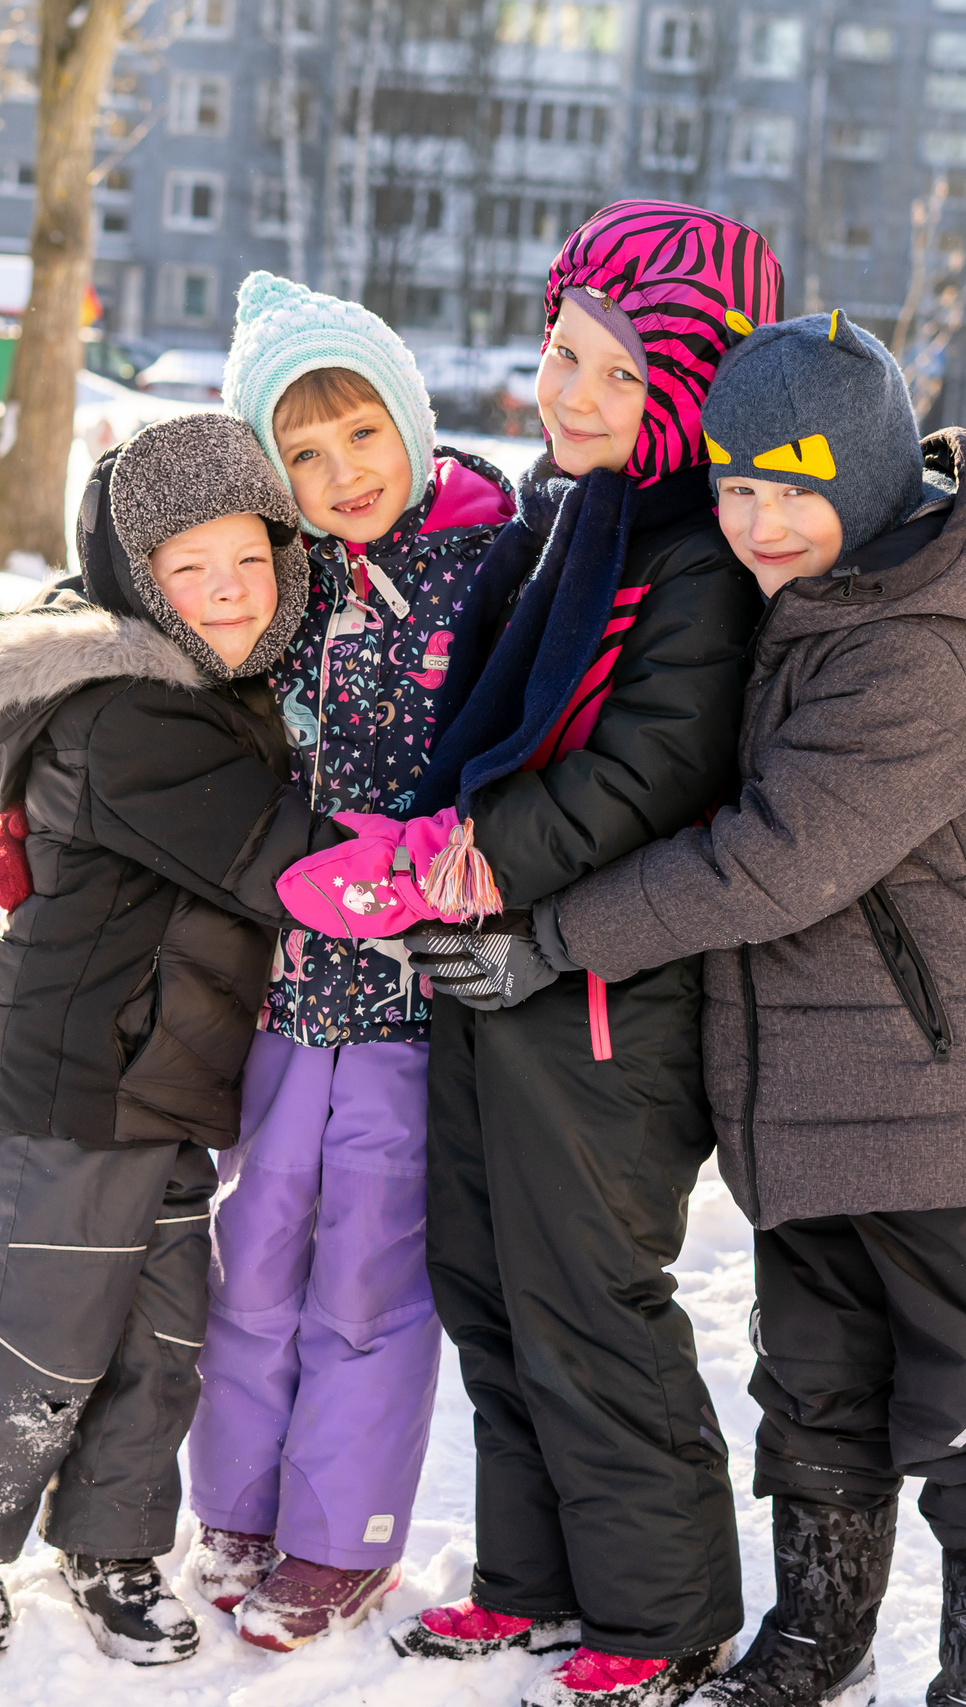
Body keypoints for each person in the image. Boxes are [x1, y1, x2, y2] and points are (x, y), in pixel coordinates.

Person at [456, 312, 966, 1707]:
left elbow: (773, 858)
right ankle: (812, 1644)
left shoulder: (921, 651)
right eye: (736, 485)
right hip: (809, 1103)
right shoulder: (817, 612)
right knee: (814, 1395)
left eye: (796, 489)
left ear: (868, 481)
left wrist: (556, 936)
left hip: (946, 1113)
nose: (758, 521)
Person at [373, 201, 785, 1707]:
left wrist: (476, 858)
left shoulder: (695, 553)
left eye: (623, 372)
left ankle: (664, 1612)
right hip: (491, 976)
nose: (575, 394)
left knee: (589, 1298)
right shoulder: (562, 518)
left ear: (691, 390)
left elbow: (655, 766)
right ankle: (535, 1581)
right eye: (563, 353)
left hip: (608, 998)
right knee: (485, 1283)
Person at [0, 411, 362, 1664]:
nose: (230, 590)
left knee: (161, 1336)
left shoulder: (222, 691)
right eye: (191, 568)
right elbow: (282, 861)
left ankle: (110, 1544)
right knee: (48, 1325)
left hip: (162, 1080)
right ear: (135, 583)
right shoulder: (128, 716)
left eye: (251, 559)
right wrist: (447, 871)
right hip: (75, 1084)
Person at [181, 272, 516, 1653]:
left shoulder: (493, 565)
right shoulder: (285, 582)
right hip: (281, 997)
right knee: (253, 1256)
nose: (343, 474)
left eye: (362, 433)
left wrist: (435, 853)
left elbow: (537, 748)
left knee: (367, 1278)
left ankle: (340, 1534)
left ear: (411, 420)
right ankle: (236, 1509)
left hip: (412, 1006)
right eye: (304, 454)